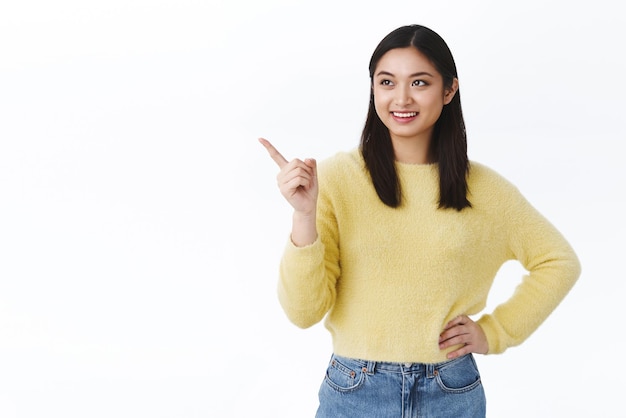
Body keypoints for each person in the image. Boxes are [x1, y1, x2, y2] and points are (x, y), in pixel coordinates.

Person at [259, 24, 580, 418]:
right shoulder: (336, 180)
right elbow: (302, 313)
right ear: (373, 89)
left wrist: (494, 332)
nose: (401, 98)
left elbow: (558, 261)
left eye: (420, 82)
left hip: (450, 390)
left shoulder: (486, 190)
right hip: (356, 390)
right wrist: (303, 214)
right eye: (387, 82)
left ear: (449, 90)